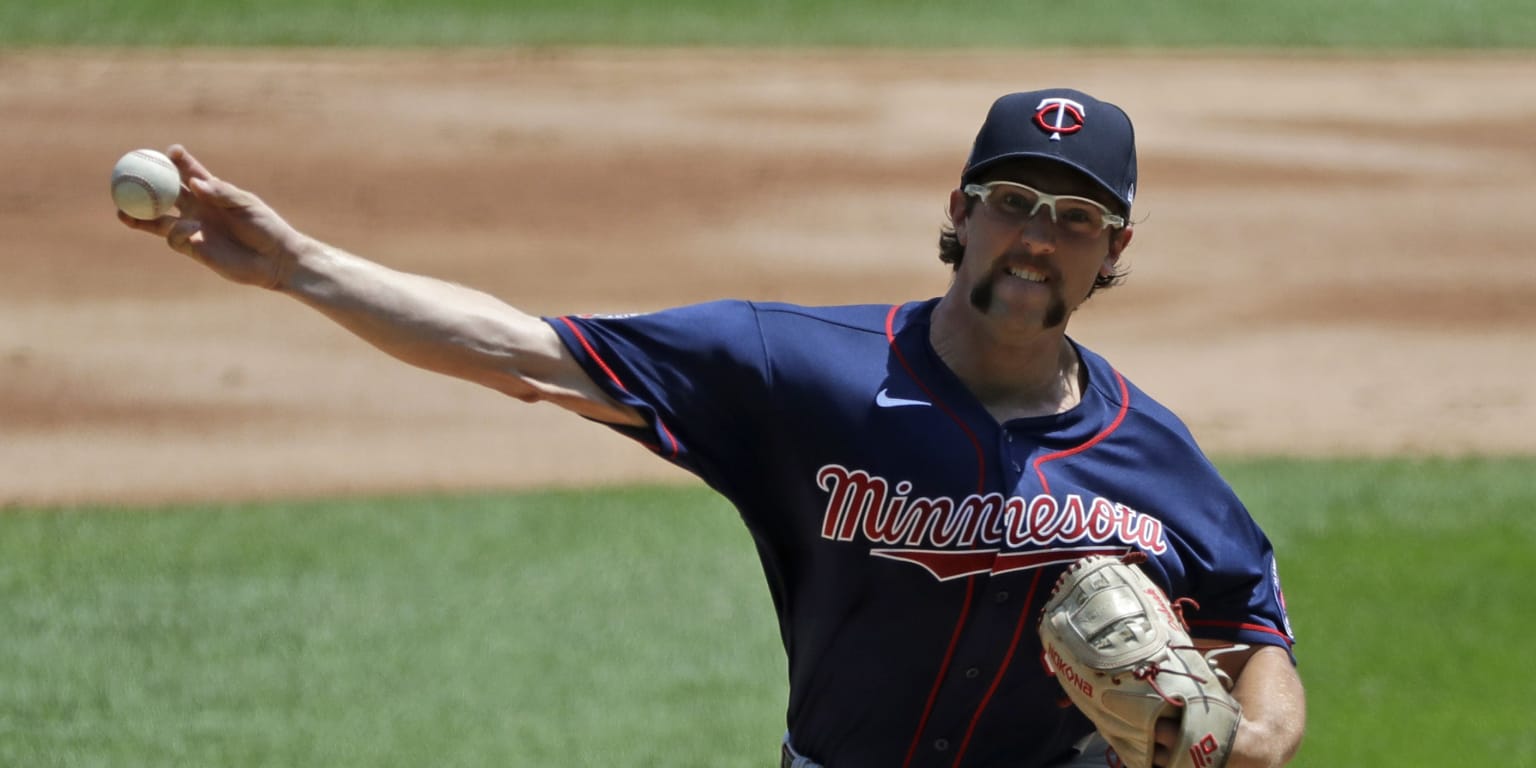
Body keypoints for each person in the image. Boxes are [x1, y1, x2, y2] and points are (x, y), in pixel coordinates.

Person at [119, 88, 1305, 768]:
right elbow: (522, 351)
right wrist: (301, 268)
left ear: (1116, 253)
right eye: (1011, 203)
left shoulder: (1153, 455)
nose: (1036, 239)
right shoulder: (798, 368)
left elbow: (1257, 623)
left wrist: (1255, 741)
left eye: (1075, 218)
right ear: (959, 211)